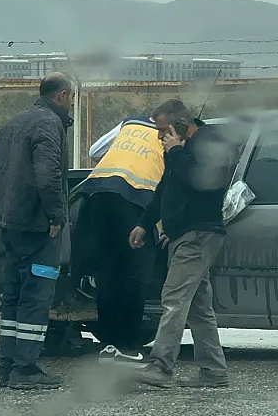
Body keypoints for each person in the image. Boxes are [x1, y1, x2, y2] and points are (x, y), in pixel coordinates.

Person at [128, 103, 237, 389]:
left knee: (174, 299)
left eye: (163, 130)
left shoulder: (209, 143)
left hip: (199, 234)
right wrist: (145, 222)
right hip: (185, 235)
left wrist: (176, 151)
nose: (159, 137)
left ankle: (160, 366)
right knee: (199, 307)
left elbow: (204, 183)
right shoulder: (179, 150)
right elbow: (167, 188)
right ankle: (213, 371)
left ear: (179, 124)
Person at [0, 72, 75, 391]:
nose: (72, 105)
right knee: (37, 294)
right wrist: (56, 216)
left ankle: (6, 366)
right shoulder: (49, 124)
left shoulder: (14, 122)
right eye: (71, 98)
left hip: (7, 224)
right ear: (62, 95)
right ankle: (27, 367)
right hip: (37, 226)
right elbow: (47, 174)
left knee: (15, 296)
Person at [78, 99, 189, 366]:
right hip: (136, 200)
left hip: (98, 193)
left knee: (107, 272)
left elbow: (95, 151)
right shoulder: (178, 141)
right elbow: (171, 188)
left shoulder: (130, 122)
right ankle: (127, 345)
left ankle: (107, 344)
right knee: (136, 274)